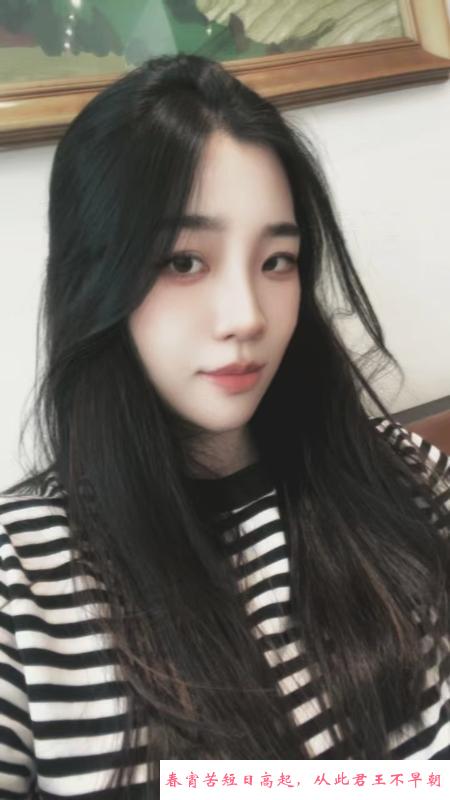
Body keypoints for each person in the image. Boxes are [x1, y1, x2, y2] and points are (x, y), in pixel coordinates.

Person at [0, 53, 449, 799]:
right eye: (183, 261)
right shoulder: (21, 585)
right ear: (94, 277)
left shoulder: (404, 478)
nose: (247, 316)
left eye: (278, 260)